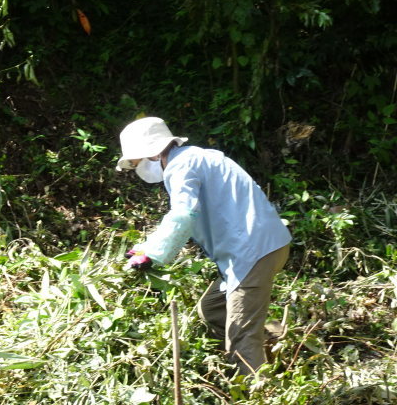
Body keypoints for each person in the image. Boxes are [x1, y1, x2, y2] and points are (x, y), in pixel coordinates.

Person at [116, 116, 291, 376]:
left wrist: (152, 252)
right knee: (212, 308)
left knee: (239, 339)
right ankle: (277, 341)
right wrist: (146, 246)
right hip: (262, 247)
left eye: (135, 162)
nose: (136, 167)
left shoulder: (181, 166)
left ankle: (256, 389)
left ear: (152, 155)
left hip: (252, 252)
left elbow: (183, 213)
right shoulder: (194, 158)